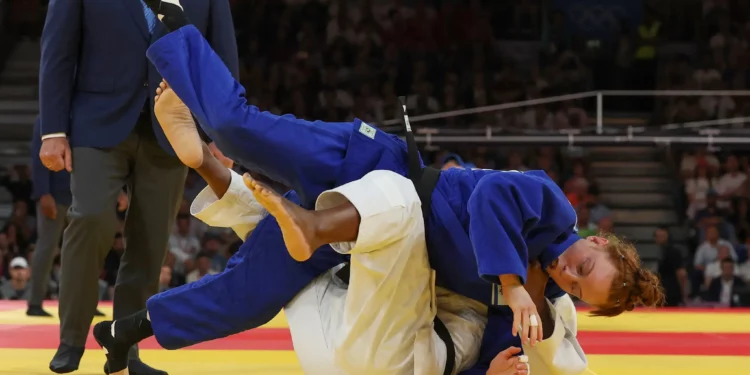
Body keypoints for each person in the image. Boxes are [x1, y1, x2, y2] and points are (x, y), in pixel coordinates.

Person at [143, 7, 663, 340]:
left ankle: (137, 326)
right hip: (370, 168)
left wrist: (501, 362)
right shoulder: (553, 209)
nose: (568, 276)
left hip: (361, 243)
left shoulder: (533, 302)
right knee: (238, 132)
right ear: (597, 242)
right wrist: (514, 284)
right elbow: (492, 200)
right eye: (584, 268)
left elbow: (486, 343)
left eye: (576, 289)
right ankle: (172, 21)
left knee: (251, 300)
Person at [92, 141, 583, 375]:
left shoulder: (515, 284)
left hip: (360, 306)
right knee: (267, 269)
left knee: (265, 267)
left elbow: (509, 347)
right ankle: (126, 330)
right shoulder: (467, 228)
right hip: (352, 270)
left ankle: (209, 165)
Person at [38, 0, 238, 373]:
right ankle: (72, 339)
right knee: (91, 218)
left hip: (174, 127)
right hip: (96, 123)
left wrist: (224, 132)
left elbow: (220, 56)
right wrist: (53, 130)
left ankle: (124, 349)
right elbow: (57, 52)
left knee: (150, 241)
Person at [27, 118, 71, 316]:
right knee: (47, 248)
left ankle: (81, 302)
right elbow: (39, 156)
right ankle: (35, 302)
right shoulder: (48, 117)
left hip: (81, 194)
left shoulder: (83, 114)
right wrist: (43, 192)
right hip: (55, 194)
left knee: (86, 249)